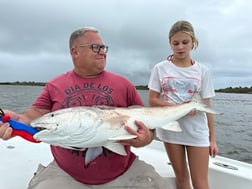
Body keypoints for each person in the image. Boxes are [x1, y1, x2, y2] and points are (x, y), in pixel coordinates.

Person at [0, 27, 171, 189]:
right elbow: (35, 114)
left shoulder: (124, 84)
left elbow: (148, 128)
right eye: (96, 47)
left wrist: (145, 139)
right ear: (75, 51)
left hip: (123, 171)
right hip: (65, 174)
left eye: (104, 47)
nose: (103, 51)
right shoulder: (54, 85)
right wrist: (17, 121)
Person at [148, 20, 219, 189]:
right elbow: (153, 100)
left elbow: (207, 104)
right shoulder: (160, 68)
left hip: (197, 130)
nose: (180, 47)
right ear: (170, 43)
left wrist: (212, 139)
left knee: (200, 182)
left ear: (193, 42)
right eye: (176, 43)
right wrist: (180, 108)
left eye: (185, 42)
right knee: (181, 178)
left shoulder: (203, 71)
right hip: (170, 128)